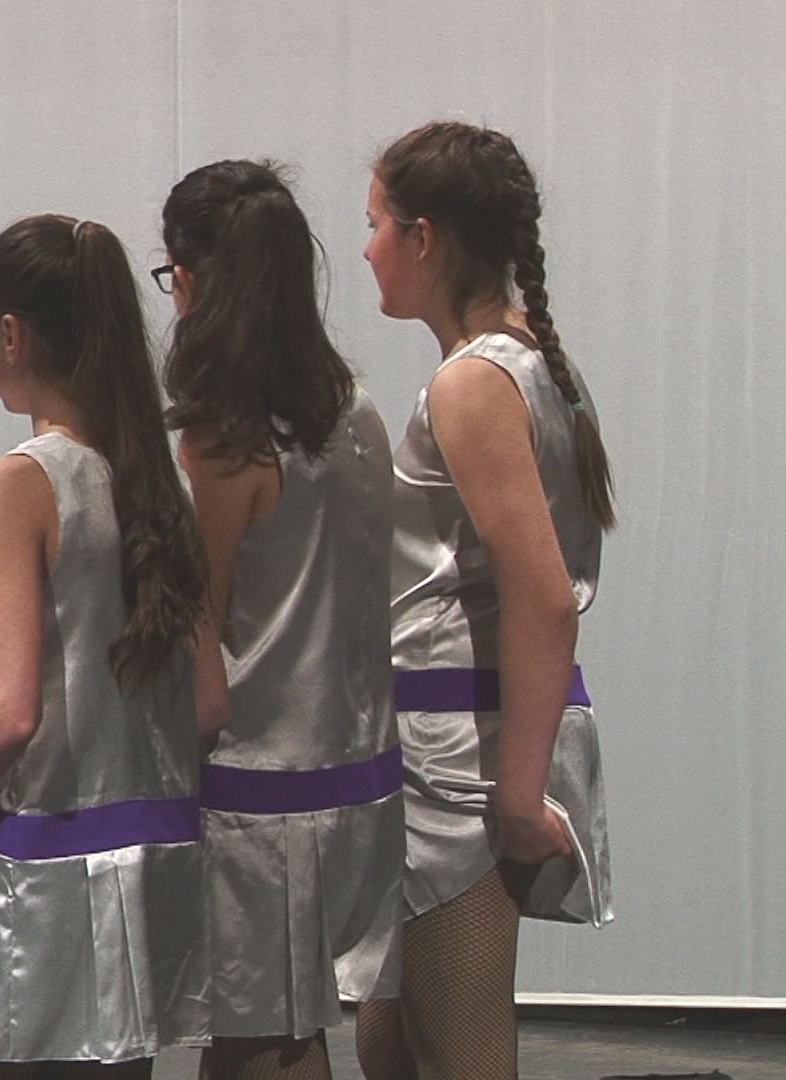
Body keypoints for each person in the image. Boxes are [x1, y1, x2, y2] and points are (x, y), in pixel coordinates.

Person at [0, 214, 220, 1079]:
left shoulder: (21, 481)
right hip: (151, 858)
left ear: (11, 335)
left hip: (46, 868)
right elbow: (209, 705)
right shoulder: (158, 480)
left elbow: (11, 713)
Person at [351, 121, 615, 1080]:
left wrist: (515, 787)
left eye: (376, 225)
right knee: (395, 1034)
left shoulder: (473, 383)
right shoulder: (526, 361)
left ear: (424, 238)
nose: (367, 250)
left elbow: (543, 598)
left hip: (460, 758)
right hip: (449, 747)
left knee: (456, 1046)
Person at [157, 160, 401, 1080]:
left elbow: (205, 624)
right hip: (359, 769)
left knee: (265, 1034)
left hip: (259, 789)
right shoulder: (356, 413)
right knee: (275, 1030)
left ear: (193, 280)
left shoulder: (225, 438)